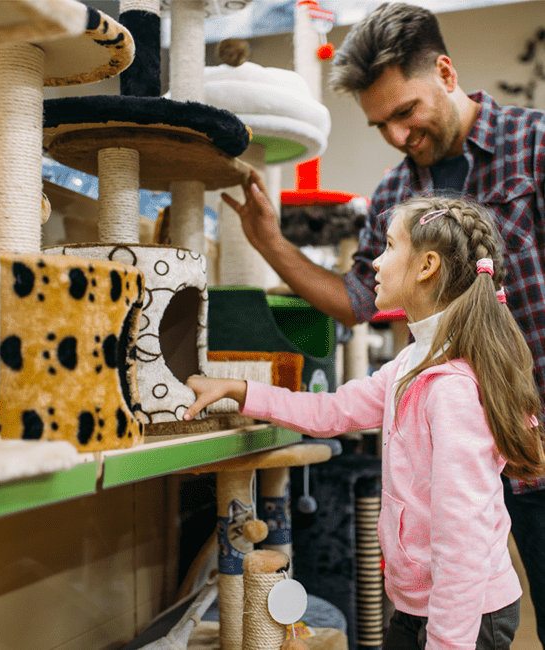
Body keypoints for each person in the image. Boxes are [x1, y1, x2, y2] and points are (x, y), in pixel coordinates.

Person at [219, 3, 545, 644]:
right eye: (380, 124)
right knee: (468, 569)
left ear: (445, 73)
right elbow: (357, 300)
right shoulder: (397, 195)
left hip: (528, 432)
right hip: (466, 435)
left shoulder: (533, 145)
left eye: (405, 112)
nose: (397, 135)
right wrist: (269, 243)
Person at [186, 195, 545, 649]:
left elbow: (463, 541)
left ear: (426, 265)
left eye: (389, 247)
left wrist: (448, 642)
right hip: (421, 605)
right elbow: (330, 411)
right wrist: (242, 391)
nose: (375, 263)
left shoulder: (451, 389)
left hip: (465, 615)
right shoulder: (411, 363)